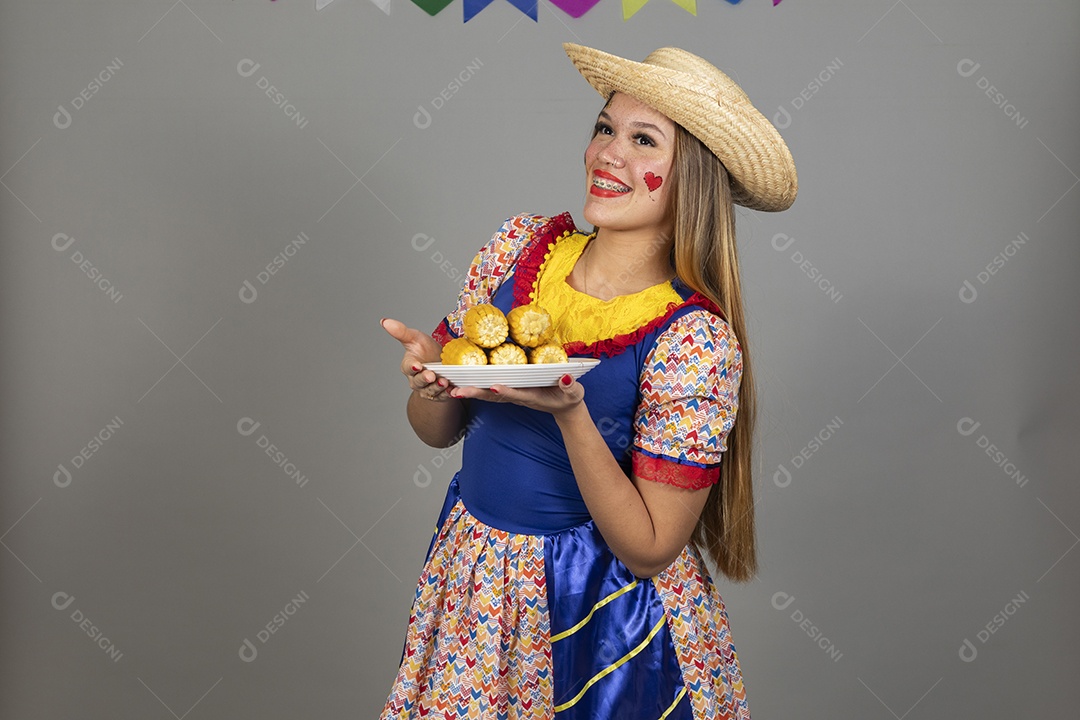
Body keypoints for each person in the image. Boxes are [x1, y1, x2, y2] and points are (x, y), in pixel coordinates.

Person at [378, 42, 797, 719]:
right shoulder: (519, 250)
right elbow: (438, 433)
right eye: (605, 127)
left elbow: (652, 548)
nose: (608, 154)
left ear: (692, 175)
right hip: (479, 582)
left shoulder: (693, 338)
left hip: (608, 618)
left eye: (642, 140)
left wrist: (571, 415)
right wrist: (432, 378)